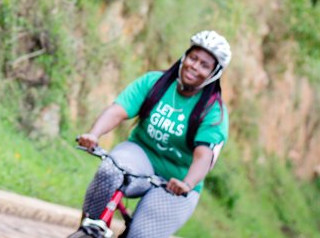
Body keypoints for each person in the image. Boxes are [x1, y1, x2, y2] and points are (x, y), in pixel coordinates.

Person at [73, 31, 231, 238]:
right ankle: (89, 228)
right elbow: (118, 111)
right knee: (109, 170)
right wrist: (94, 135)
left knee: (142, 235)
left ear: (214, 74)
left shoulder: (213, 112)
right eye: (193, 58)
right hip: (140, 155)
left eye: (204, 65)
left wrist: (187, 184)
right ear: (185, 57)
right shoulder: (154, 83)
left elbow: (204, 156)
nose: (194, 66)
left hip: (178, 181)